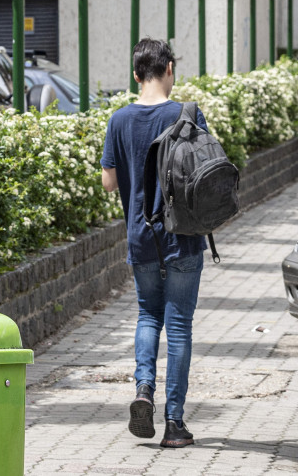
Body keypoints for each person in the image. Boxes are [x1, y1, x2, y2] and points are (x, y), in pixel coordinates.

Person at [101, 38, 209, 449]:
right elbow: (208, 173)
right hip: (183, 236)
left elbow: (109, 181)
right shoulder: (187, 115)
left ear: (135, 75)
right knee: (179, 325)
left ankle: (143, 389)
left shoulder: (119, 119)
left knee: (148, 316)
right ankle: (174, 423)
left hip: (141, 235)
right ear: (169, 70)